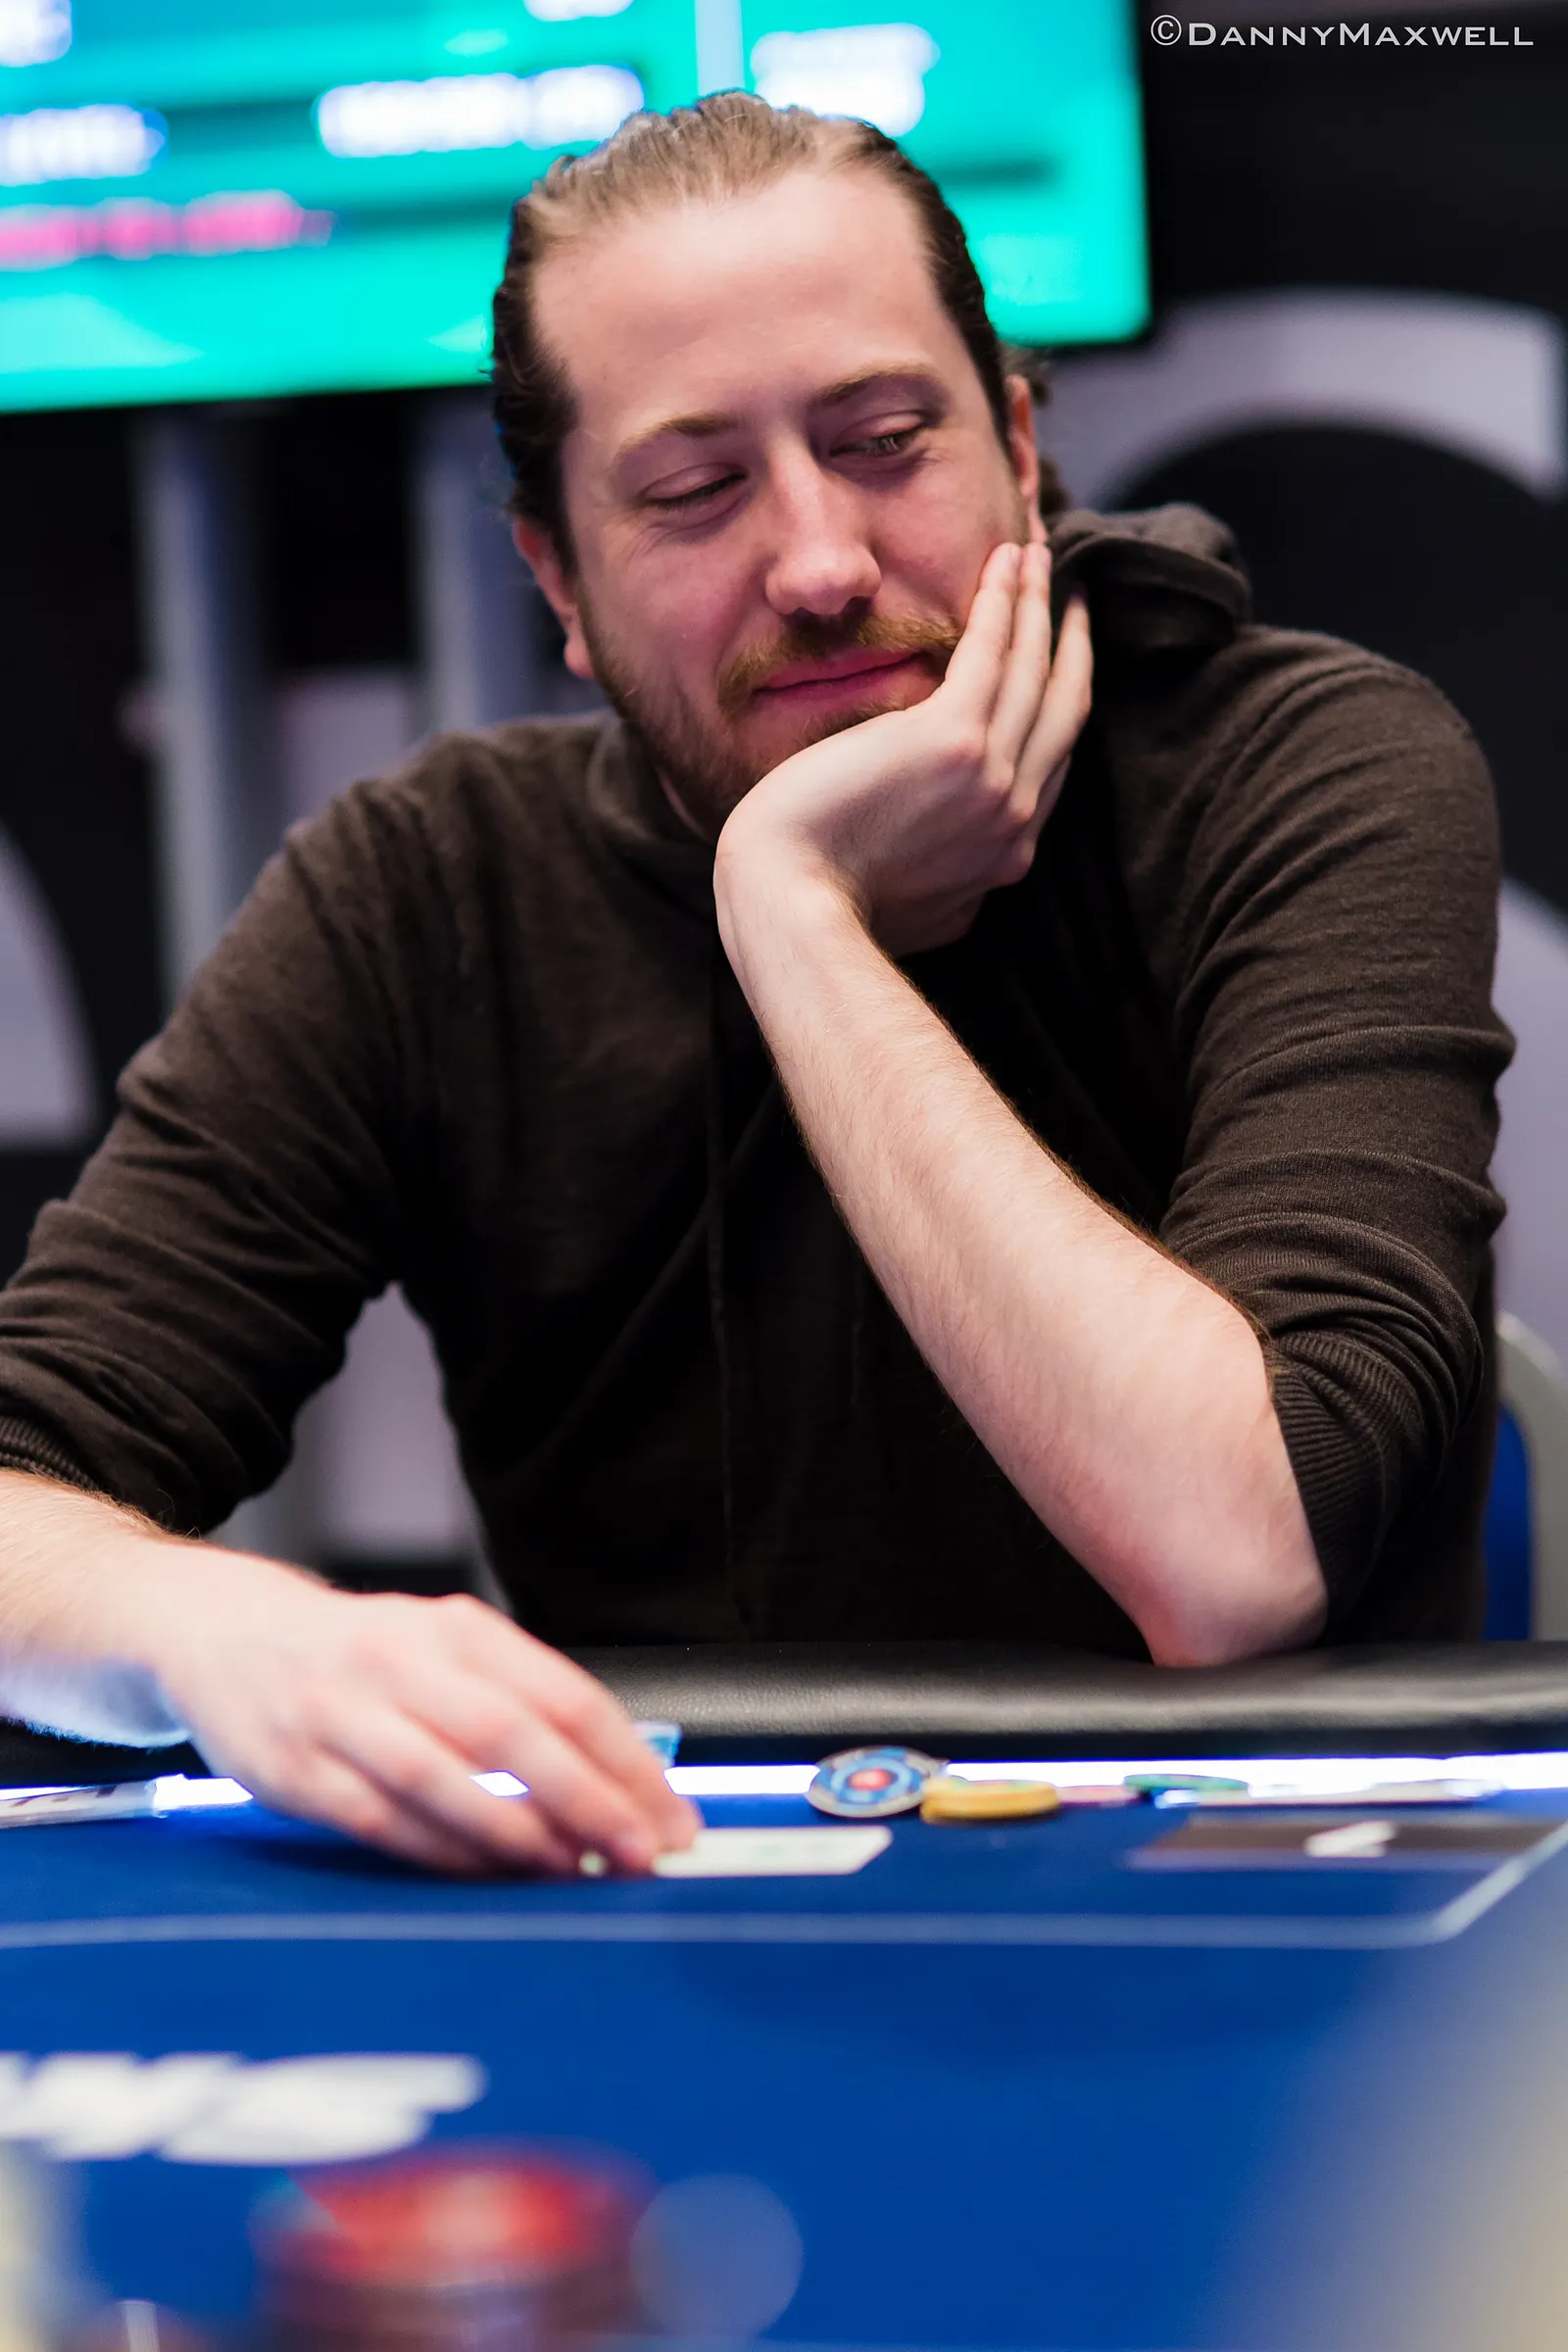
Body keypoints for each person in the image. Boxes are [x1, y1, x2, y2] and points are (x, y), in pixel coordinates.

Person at [0, 97, 1509, 1874]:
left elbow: (1230, 1565)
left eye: (885, 442)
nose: (820, 563)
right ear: (559, 578)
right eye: (693, 491)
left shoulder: (1304, 769)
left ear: (1021, 449)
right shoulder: (426, 891)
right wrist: (212, 1628)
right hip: (662, 1878)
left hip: (1265, 1899)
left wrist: (794, 910)